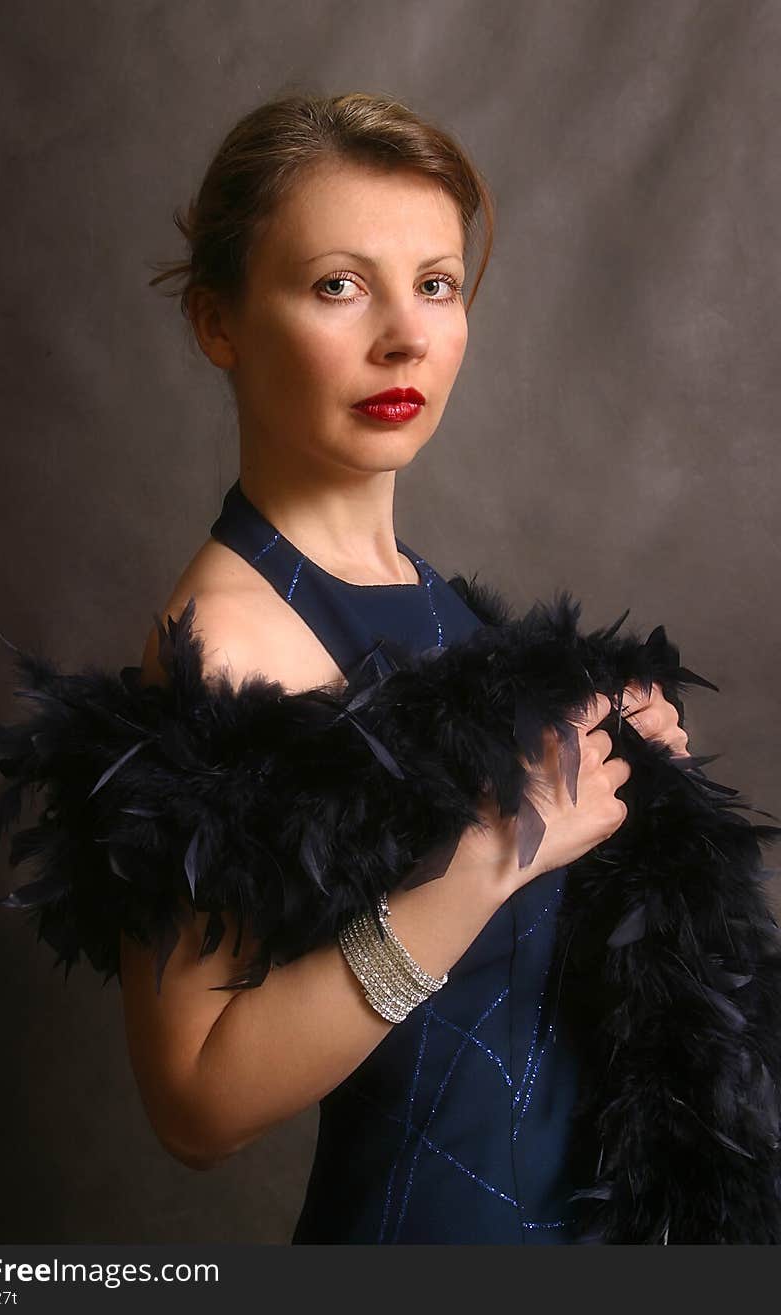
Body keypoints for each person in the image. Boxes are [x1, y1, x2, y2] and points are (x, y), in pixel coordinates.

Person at [118, 91, 688, 1244]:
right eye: (338, 283)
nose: (404, 335)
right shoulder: (227, 643)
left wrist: (620, 773)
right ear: (217, 320)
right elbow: (196, 1102)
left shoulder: (443, 605)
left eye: (433, 283)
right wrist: (489, 855)